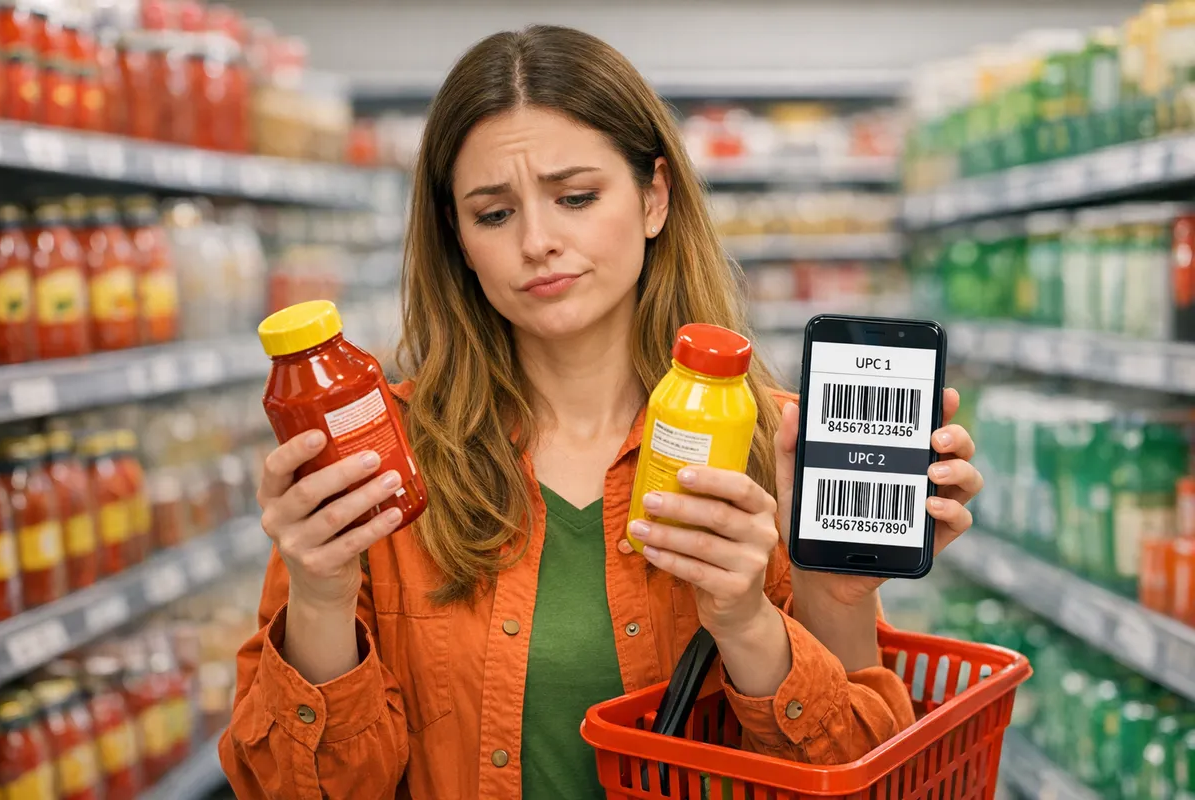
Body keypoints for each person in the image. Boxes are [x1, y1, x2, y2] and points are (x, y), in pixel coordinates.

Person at [220, 25, 984, 800]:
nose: (539, 241)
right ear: (457, 238)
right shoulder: (381, 461)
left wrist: (792, 607)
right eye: (493, 214)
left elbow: (856, 772)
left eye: (577, 197)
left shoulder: (779, 446)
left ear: (654, 197)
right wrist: (319, 600)